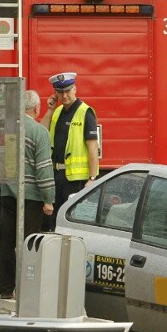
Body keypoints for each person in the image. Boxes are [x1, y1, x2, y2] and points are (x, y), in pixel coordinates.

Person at [0, 90, 56, 298]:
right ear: (36, 109)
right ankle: (26, 289)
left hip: (6, 193)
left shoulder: (6, 129)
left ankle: (5, 290)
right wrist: (48, 198)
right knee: (29, 243)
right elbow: (43, 167)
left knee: (6, 243)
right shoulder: (39, 132)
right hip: (31, 197)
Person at [40, 72, 99, 230]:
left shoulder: (85, 112)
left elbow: (93, 147)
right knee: (52, 220)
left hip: (75, 179)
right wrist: (50, 109)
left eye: (67, 91)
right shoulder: (57, 112)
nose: (64, 95)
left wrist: (92, 178)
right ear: (56, 93)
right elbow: (42, 132)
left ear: (75, 89)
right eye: (60, 92)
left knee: (68, 221)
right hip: (55, 175)